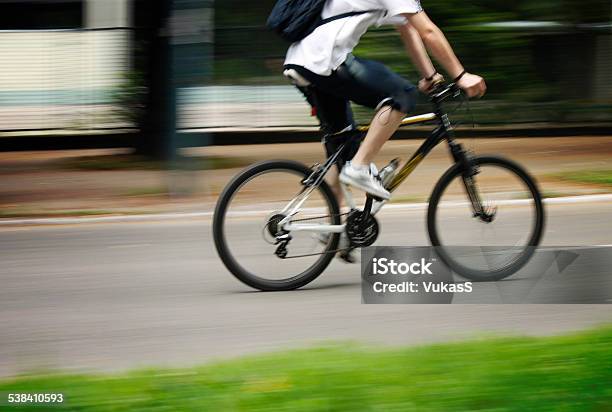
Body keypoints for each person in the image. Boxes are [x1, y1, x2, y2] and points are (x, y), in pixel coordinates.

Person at [283, 0, 487, 201]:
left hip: (303, 61)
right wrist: (461, 76)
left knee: (344, 149)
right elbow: (428, 31)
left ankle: (333, 231)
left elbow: (408, 28)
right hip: (325, 60)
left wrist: (430, 76)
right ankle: (359, 167)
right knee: (402, 94)